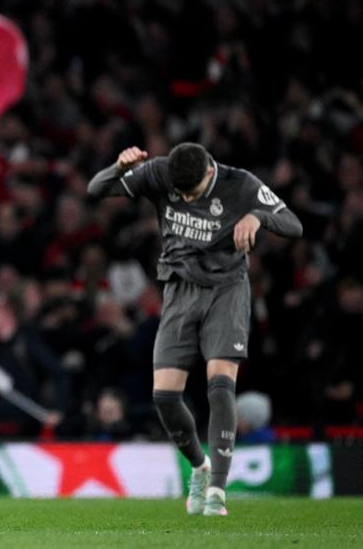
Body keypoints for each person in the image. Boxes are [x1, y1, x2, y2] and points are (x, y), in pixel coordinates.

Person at [87, 142, 302, 516]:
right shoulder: (160, 171)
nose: (186, 199)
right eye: (180, 193)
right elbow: (96, 189)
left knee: (220, 384)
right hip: (179, 289)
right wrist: (119, 167)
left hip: (226, 289)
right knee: (165, 396)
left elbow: (294, 225)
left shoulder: (240, 184)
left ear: (209, 172)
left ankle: (217, 489)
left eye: (193, 192)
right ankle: (200, 468)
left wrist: (258, 217)